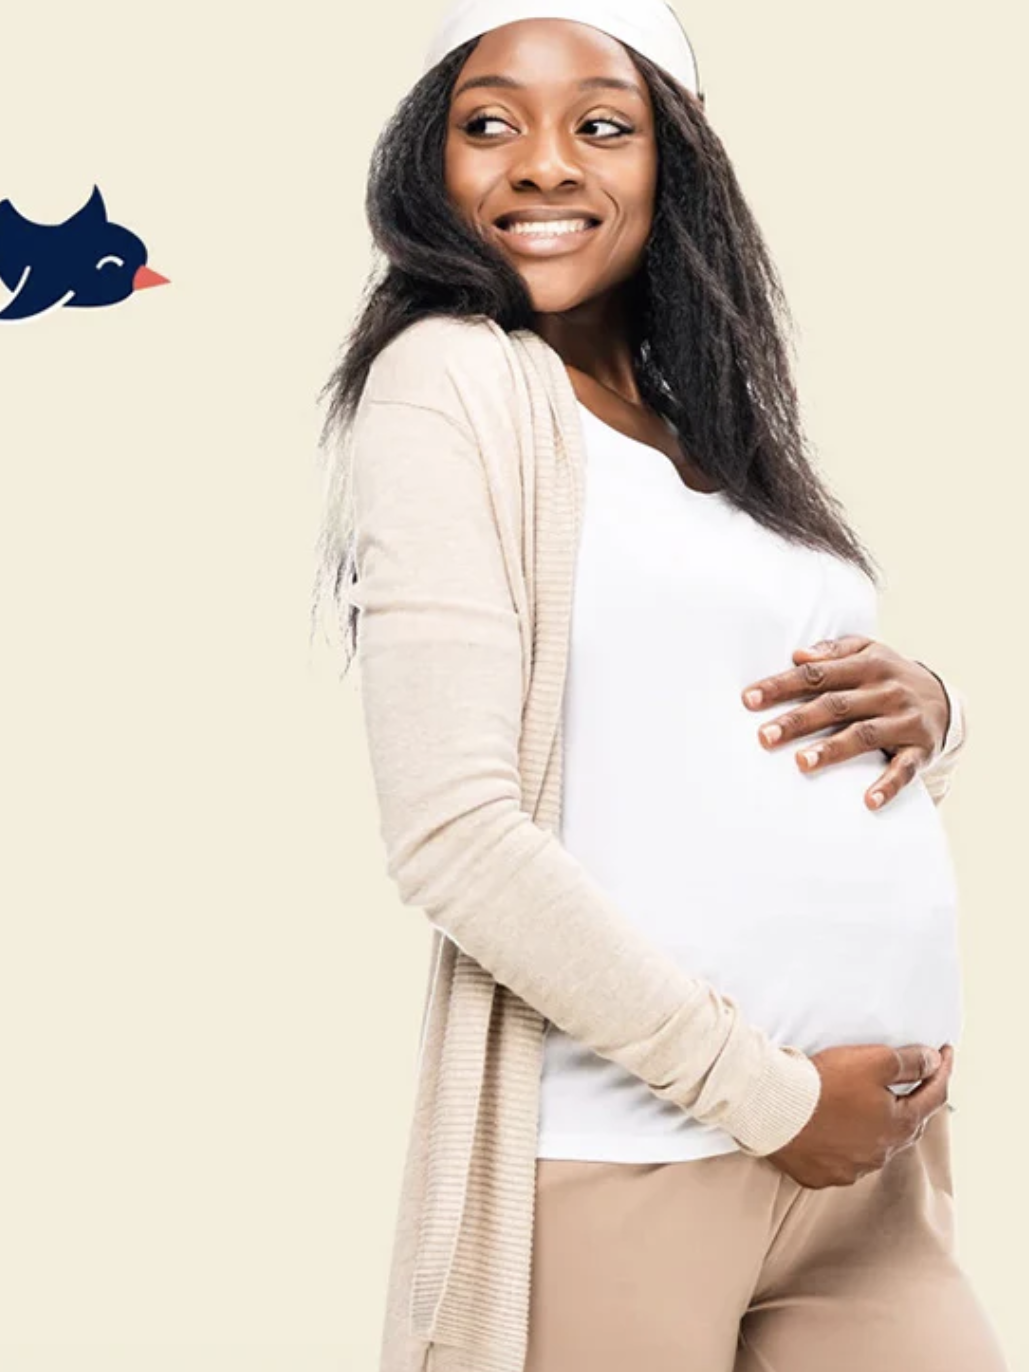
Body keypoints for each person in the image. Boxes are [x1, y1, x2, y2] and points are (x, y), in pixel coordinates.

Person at [312, 3, 1007, 1369]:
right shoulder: (449, 381)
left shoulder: (706, 423)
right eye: (488, 123)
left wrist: (937, 707)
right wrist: (772, 1098)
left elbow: (730, 704)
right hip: (633, 1150)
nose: (543, 162)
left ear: (675, 155)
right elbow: (452, 833)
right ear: (428, 161)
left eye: (602, 125)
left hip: (871, 1172)